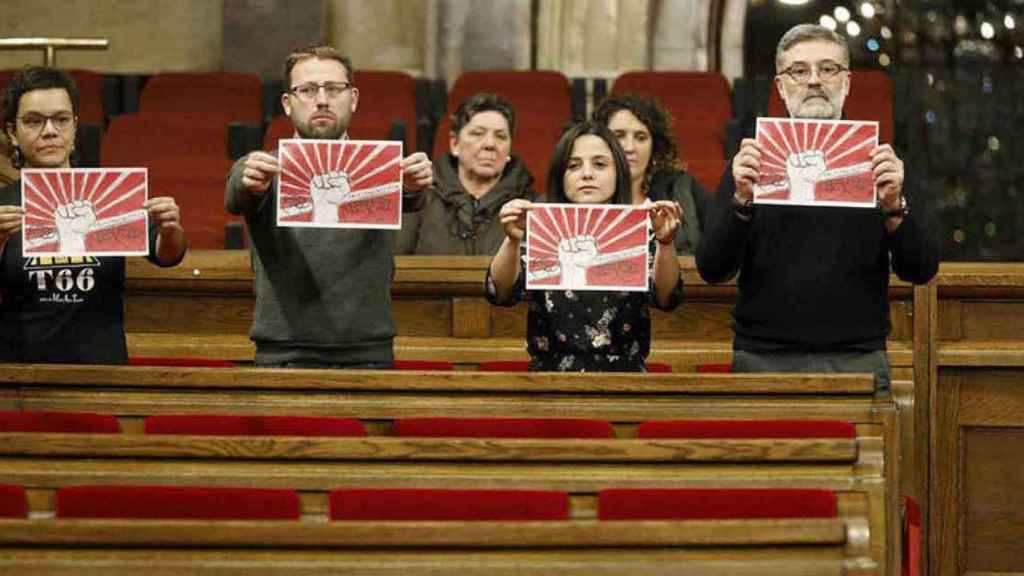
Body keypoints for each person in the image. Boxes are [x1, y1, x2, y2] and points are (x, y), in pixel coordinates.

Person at [695, 24, 939, 391]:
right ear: (780, 85)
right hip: (763, 358)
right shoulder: (751, 163)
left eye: (828, 69)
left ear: (847, 82)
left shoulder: (878, 164)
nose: (814, 81)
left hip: (858, 358)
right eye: (799, 70)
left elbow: (921, 269)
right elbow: (712, 268)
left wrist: (893, 207)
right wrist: (742, 199)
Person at [225, 45, 433, 368]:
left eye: (334, 89)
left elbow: (412, 197)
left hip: (367, 351)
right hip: (285, 351)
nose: (321, 100)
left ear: (353, 99)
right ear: (287, 104)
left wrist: (415, 184)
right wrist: (247, 180)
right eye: (307, 90)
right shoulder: (264, 168)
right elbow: (238, 193)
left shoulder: (383, 169)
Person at [0, 66, 188, 364]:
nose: (49, 131)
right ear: (13, 131)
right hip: (21, 374)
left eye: (61, 120)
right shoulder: (2, 205)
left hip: (103, 370)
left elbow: (167, 256)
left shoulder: (109, 193)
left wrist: (169, 229)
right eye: (34, 121)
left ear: (75, 127)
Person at [486, 121, 684, 371]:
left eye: (600, 164)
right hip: (549, 379)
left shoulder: (640, 230)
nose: (587, 174)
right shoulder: (539, 227)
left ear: (618, 172)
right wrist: (513, 240)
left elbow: (667, 298)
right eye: (573, 166)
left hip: (626, 380)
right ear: (561, 175)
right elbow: (501, 293)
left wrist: (665, 243)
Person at [397, 93, 535, 255]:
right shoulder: (419, 200)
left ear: (509, 149)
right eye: (477, 133)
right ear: (454, 143)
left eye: (501, 136)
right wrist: (408, 194)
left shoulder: (529, 207)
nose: (490, 144)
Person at [593, 93, 709, 254]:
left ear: (654, 147)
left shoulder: (684, 190)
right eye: (619, 135)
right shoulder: (579, 195)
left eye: (641, 138)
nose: (629, 147)